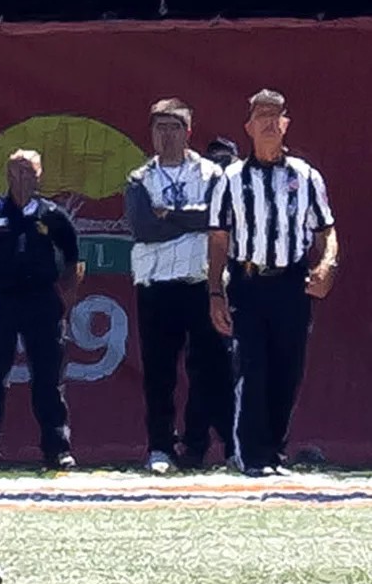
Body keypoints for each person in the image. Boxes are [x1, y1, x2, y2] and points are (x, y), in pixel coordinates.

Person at [207, 90, 338, 478]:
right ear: (248, 126)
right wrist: (215, 291)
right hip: (248, 282)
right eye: (260, 116)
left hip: (292, 283)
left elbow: (326, 230)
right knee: (252, 366)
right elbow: (218, 238)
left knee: (288, 368)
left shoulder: (306, 176)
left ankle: (274, 451)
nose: (268, 122)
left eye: (275, 116)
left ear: (285, 124)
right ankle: (251, 455)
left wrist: (328, 264)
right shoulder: (230, 179)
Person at [126, 98, 232, 473]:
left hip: (202, 281)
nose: (166, 135)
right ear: (151, 133)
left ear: (188, 131)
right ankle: (160, 447)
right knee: (159, 370)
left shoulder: (212, 175)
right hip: (156, 284)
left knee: (209, 368)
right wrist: (192, 219)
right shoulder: (140, 179)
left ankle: (200, 445)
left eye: (174, 127)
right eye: (159, 128)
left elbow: (218, 219)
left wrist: (170, 215)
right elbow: (145, 227)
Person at [0, 150, 83, 469]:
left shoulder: (52, 214)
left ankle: (57, 451)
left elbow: (74, 260)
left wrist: (65, 300)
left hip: (42, 301)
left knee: (48, 378)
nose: (22, 178)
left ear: (40, 176)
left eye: (29, 172)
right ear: (7, 175)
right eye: (16, 171)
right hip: (1, 301)